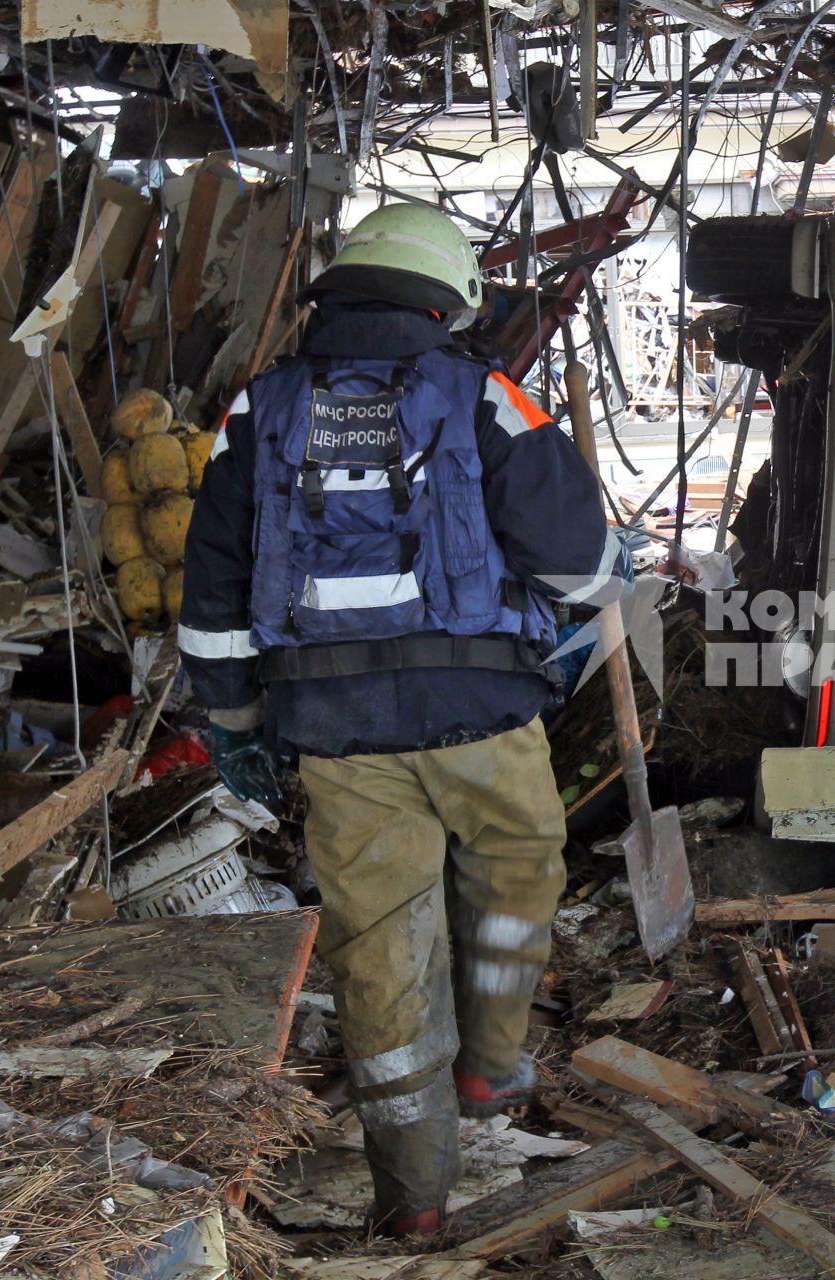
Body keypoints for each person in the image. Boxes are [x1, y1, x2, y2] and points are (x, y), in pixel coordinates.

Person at [177, 204, 627, 1236]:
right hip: (482, 715)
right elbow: (575, 562)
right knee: (516, 876)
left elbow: (214, 587)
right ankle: (490, 1065)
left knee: (379, 950)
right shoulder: (482, 397)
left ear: (337, 295)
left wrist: (235, 720)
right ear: (448, 300)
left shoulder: (260, 411)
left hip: (335, 733)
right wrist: (613, 574)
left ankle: (412, 1199)